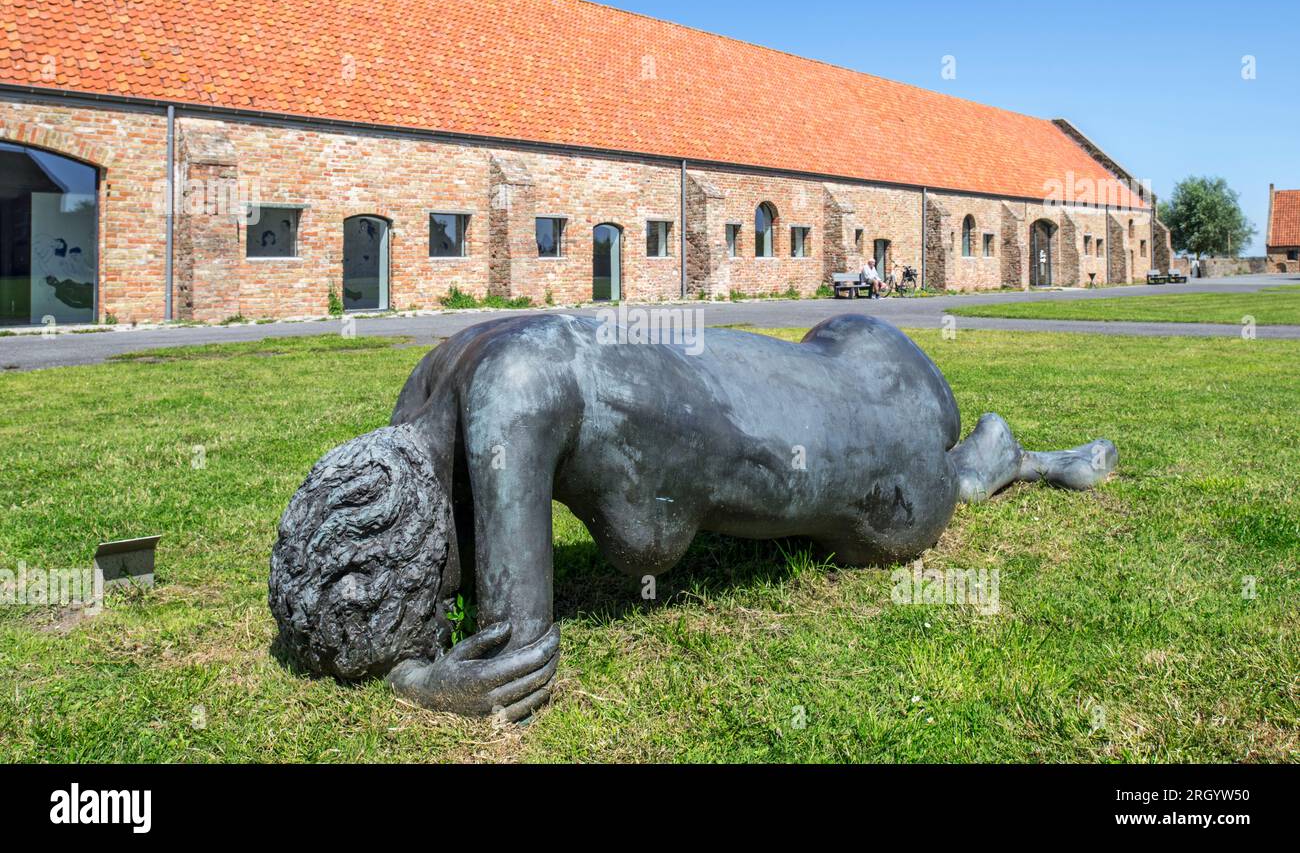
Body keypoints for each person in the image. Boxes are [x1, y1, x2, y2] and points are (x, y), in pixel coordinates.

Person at [271, 313, 1118, 721]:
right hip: (790, 372)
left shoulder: (508, 401)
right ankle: (1009, 456)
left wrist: (415, 677)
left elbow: (516, 655)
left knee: (907, 514)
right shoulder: (426, 392)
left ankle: (1001, 460)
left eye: (433, 592)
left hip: (854, 450)